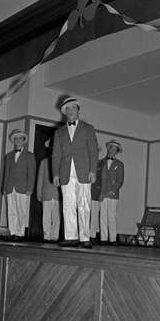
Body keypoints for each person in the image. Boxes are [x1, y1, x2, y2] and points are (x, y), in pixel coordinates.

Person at [52, 96, 98, 248]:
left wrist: (92, 170)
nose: (70, 110)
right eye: (67, 109)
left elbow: (93, 151)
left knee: (84, 204)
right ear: (65, 112)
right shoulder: (59, 132)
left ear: (78, 110)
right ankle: (71, 236)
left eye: (73, 107)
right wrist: (56, 174)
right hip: (65, 173)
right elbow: (56, 154)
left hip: (83, 171)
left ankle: (85, 237)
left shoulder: (88, 128)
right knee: (68, 204)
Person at [2, 129, 36, 241]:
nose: (18, 140)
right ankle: (13, 232)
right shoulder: (9, 156)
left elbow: (32, 174)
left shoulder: (29, 156)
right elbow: (6, 173)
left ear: (24, 141)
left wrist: (30, 188)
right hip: (10, 187)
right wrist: (4, 188)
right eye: (16, 138)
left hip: (23, 187)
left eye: (20, 138)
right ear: (13, 141)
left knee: (21, 211)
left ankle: (20, 233)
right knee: (11, 211)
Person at [99, 140, 124, 245]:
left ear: (117, 152)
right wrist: (100, 192)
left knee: (112, 216)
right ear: (108, 149)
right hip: (102, 193)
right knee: (102, 215)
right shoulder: (101, 162)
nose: (112, 151)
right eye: (111, 148)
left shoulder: (120, 164)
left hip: (113, 194)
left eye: (114, 149)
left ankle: (113, 239)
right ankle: (103, 238)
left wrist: (112, 190)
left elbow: (120, 180)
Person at [37, 138, 61, 243]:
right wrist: (39, 193)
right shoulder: (44, 162)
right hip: (46, 193)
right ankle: (46, 236)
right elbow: (40, 179)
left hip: (58, 194)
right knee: (46, 216)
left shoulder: (62, 163)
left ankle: (55, 236)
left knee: (56, 217)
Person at [90, 158, 103, 244]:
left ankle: (92, 236)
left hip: (95, 193)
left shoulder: (101, 164)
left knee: (94, 215)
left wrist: (101, 192)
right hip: (84, 192)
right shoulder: (84, 161)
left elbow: (103, 179)